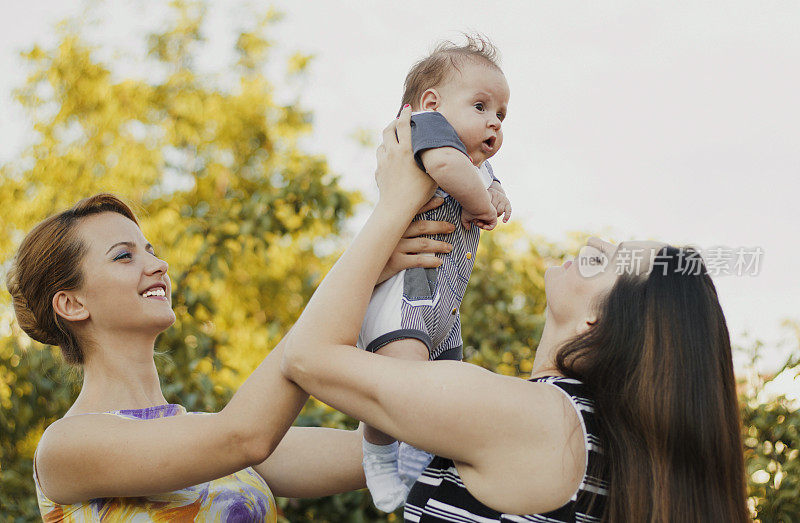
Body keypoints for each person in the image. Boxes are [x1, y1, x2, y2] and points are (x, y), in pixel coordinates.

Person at [280, 106, 749, 521]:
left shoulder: (541, 422)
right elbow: (269, 451)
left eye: (611, 260)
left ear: (600, 323)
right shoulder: (594, 445)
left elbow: (308, 357)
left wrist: (393, 209)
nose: (593, 244)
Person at [5, 191, 454, 520]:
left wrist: (386, 291)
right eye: (124, 256)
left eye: (152, 250)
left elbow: (376, 453)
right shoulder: (65, 447)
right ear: (72, 304)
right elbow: (246, 435)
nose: (157, 264)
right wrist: (372, 251)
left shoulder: (207, 434)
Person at [358, 35, 513, 511]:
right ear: (432, 103)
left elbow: (482, 179)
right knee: (399, 382)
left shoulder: (477, 165)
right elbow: (448, 167)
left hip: (445, 303)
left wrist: (498, 192)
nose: (494, 121)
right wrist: (481, 200)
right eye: (482, 106)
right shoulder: (425, 131)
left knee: (442, 395)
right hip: (407, 290)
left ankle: (421, 464)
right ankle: (378, 450)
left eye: (502, 115)